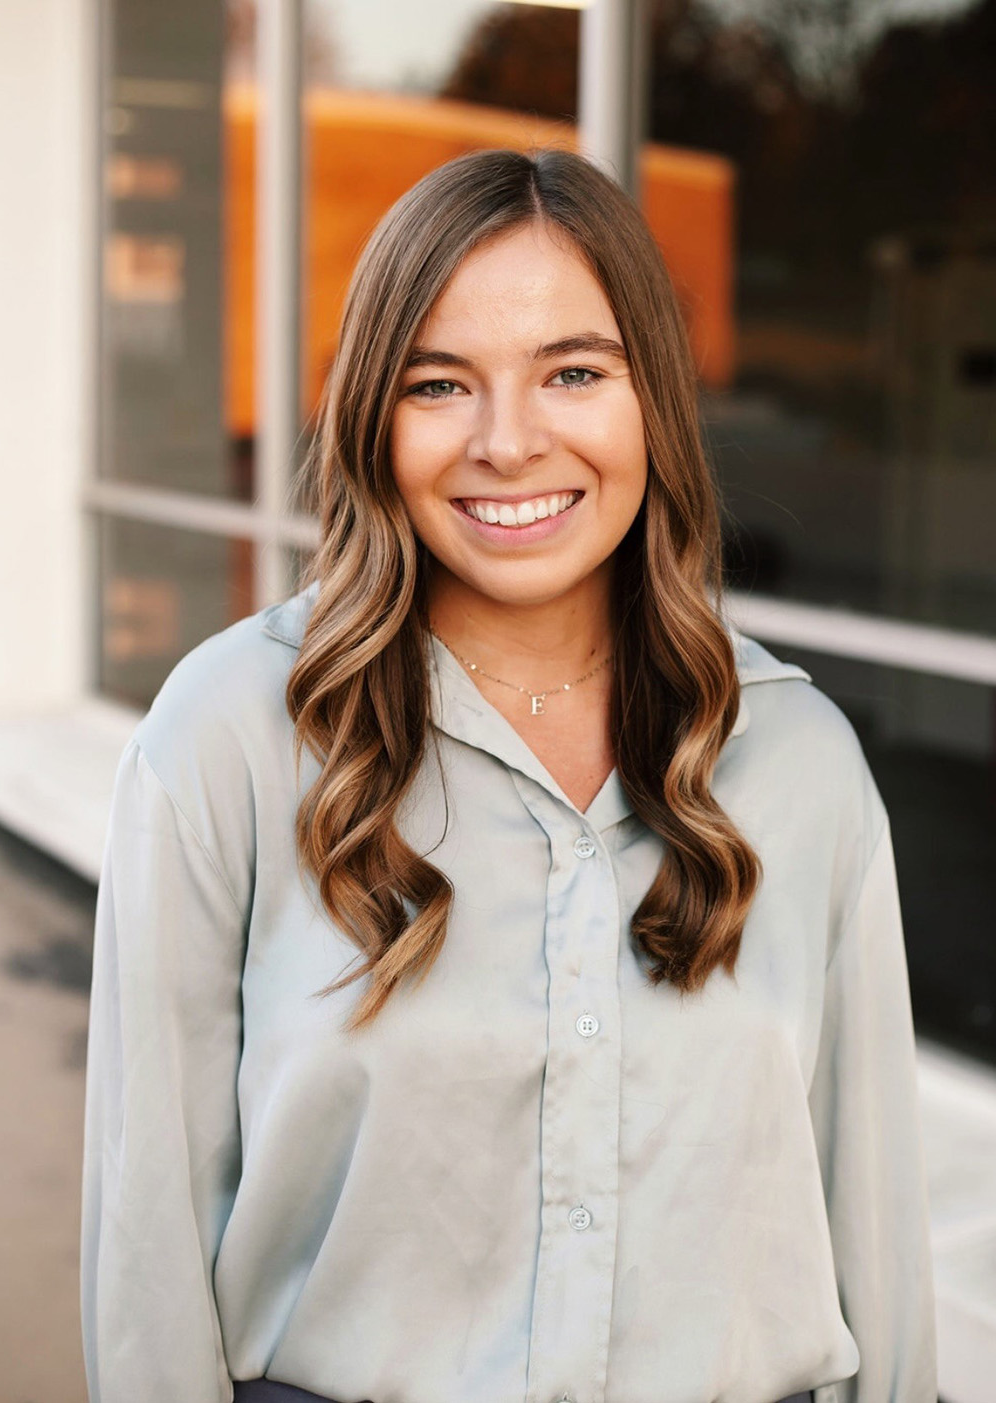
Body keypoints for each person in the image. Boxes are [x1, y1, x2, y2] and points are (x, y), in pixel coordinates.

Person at [80, 148, 937, 1403]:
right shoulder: (229, 737)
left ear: (654, 399)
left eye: (574, 372)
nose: (508, 441)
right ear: (375, 410)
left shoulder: (797, 759)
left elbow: (877, 1238)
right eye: (440, 383)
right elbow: (145, 1238)